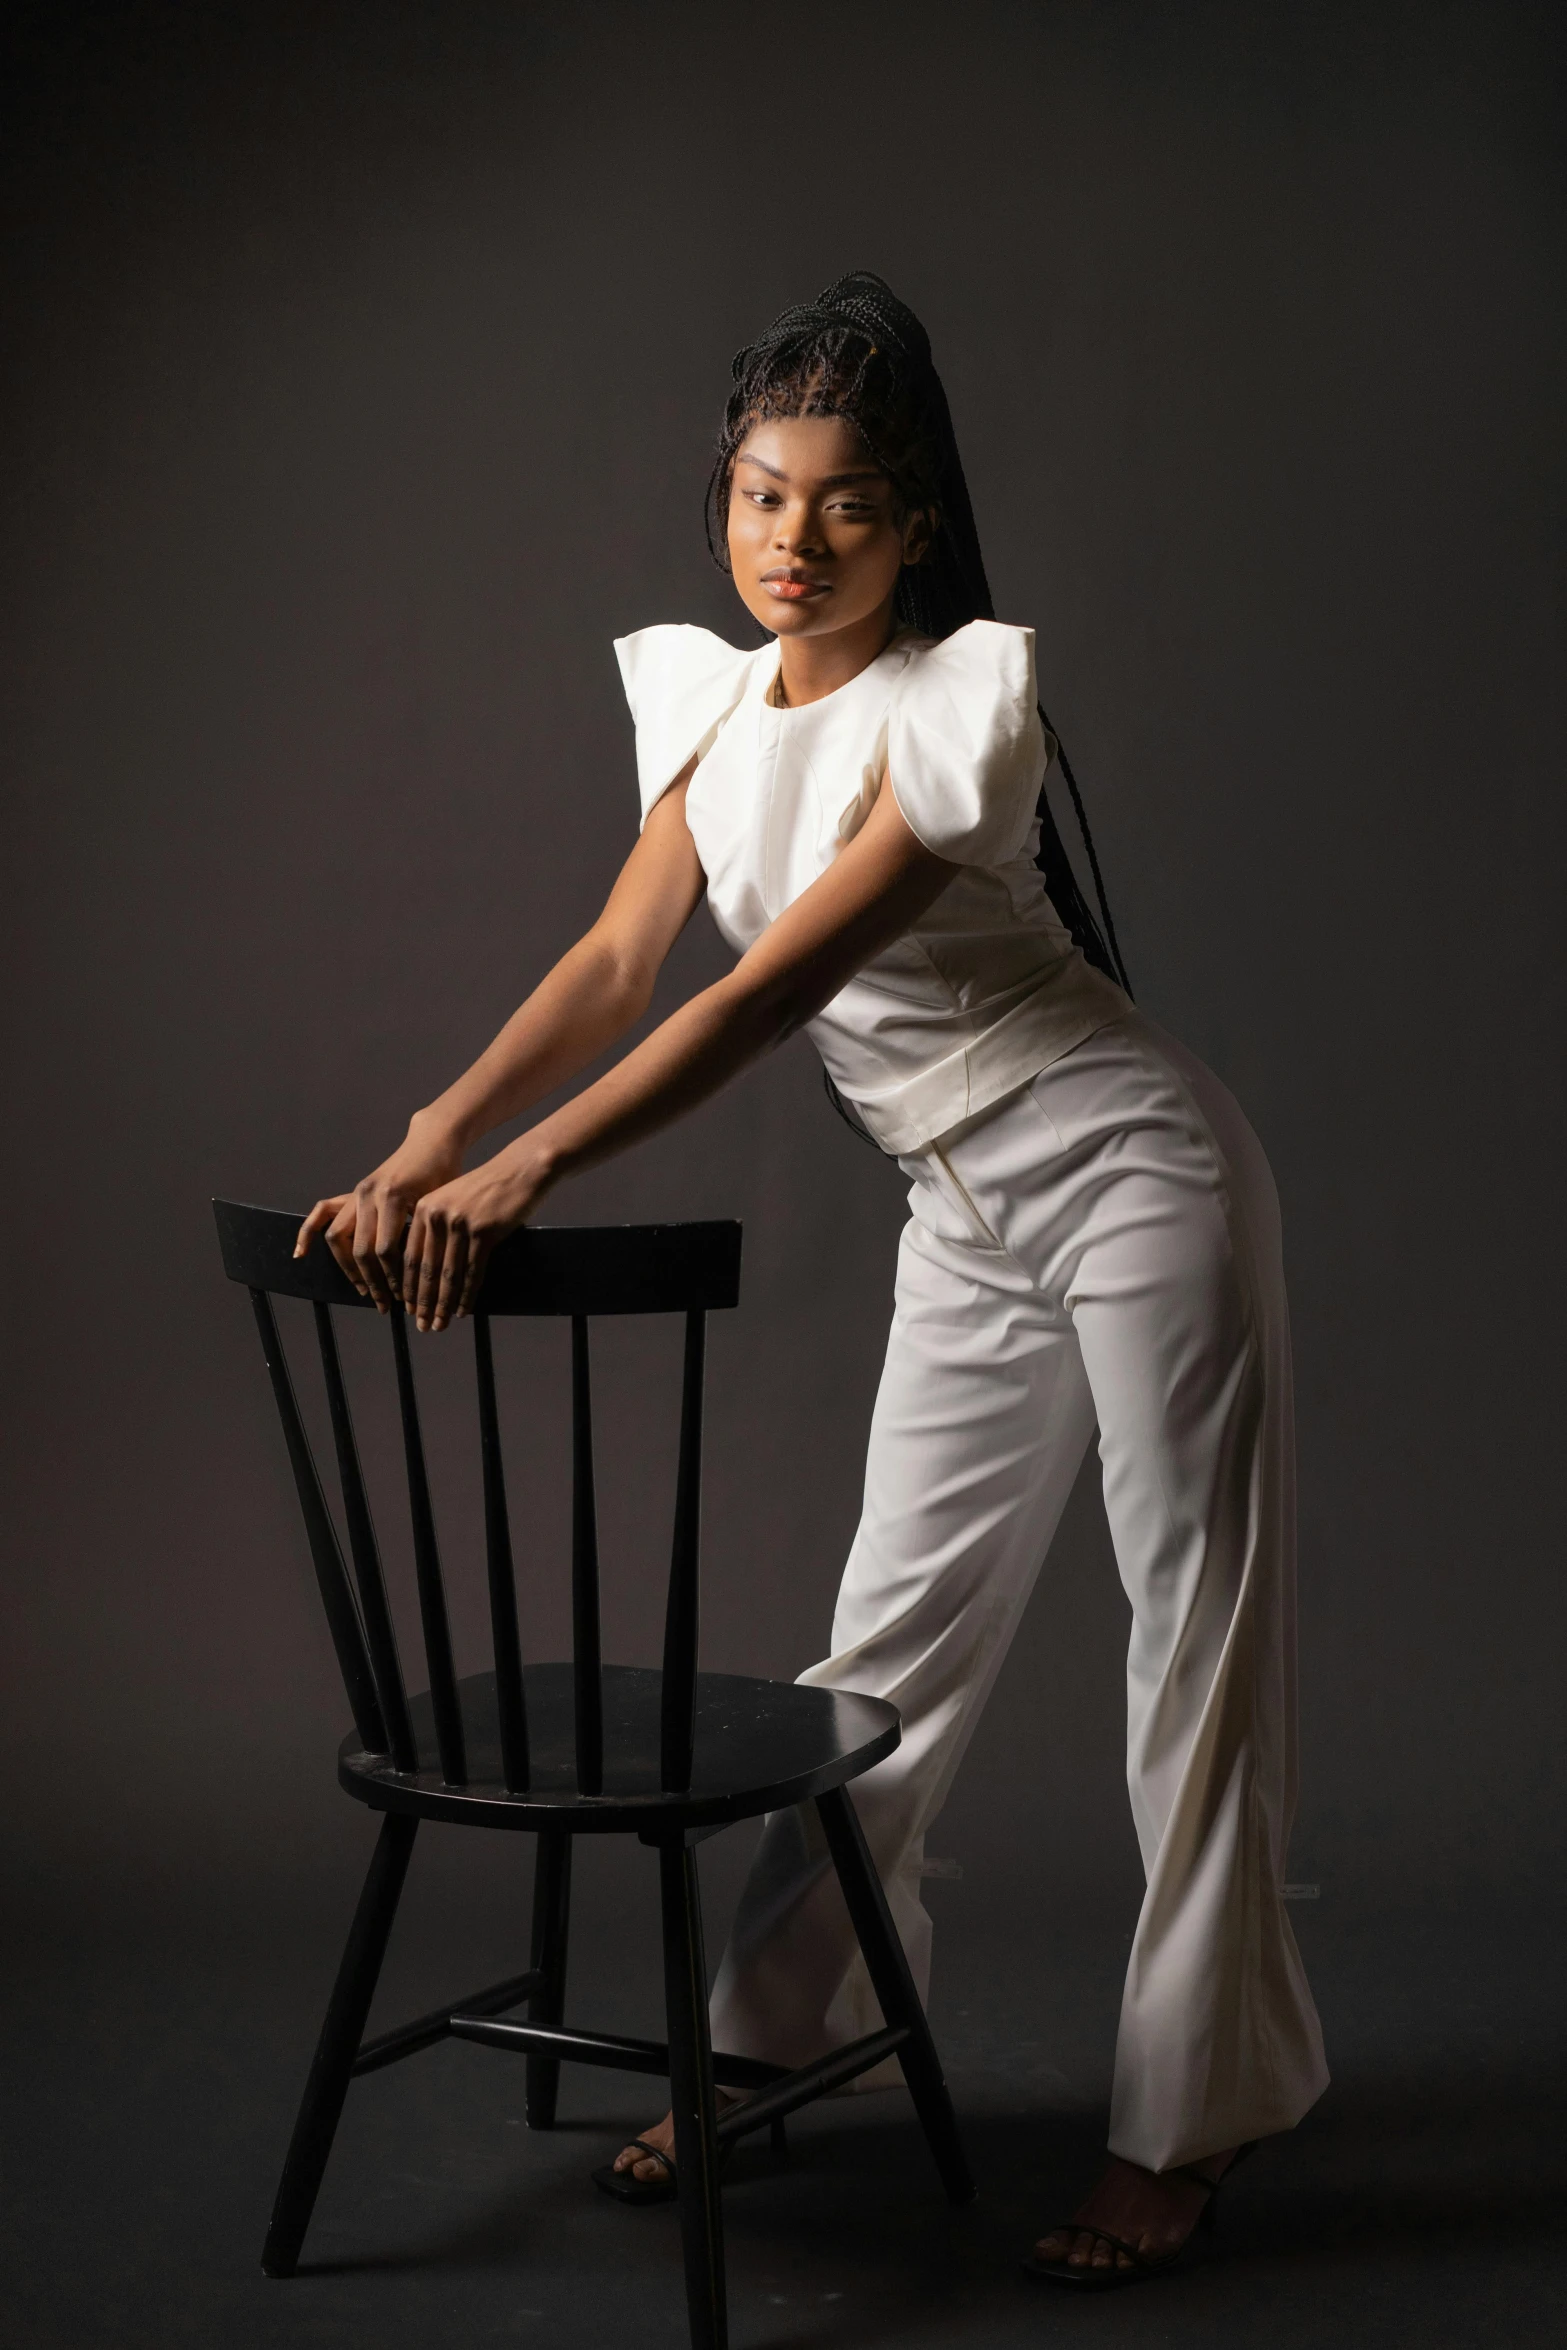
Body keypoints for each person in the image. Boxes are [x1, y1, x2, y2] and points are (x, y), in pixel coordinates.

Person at [297, 271, 1327, 2288]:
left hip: (1131, 1169)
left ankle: (1186, 2125)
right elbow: (620, 961)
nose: (795, 539)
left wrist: (533, 1163)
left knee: (1187, 1658)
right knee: (874, 1661)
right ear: (725, 503)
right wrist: (435, 1128)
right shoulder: (709, 704)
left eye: (845, 503)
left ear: (917, 519)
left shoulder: (955, 711)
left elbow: (772, 993)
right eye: (765, 495)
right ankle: (792, 2045)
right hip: (965, 1211)